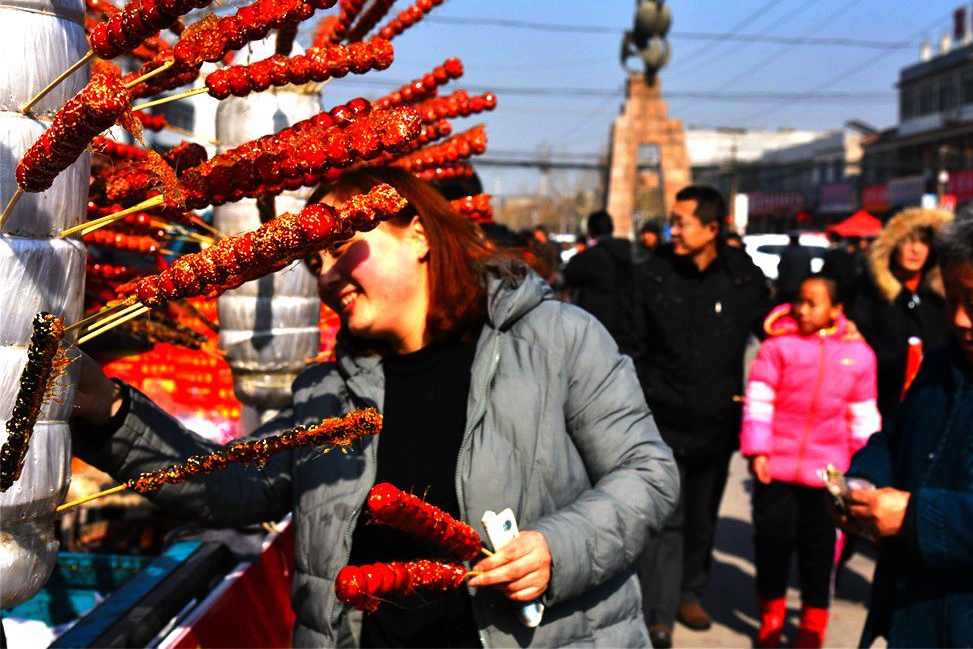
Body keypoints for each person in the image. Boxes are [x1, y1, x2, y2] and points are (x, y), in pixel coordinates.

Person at [70, 167, 680, 647]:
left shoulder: (555, 339)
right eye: (315, 263)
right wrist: (112, 411)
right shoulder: (327, 392)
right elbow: (232, 487)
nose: (327, 274)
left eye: (339, 248)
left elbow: (647, 473)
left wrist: (560, 547)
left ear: (416, 233)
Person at [837, 202, 973, 648]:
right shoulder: (941, 366)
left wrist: (916, 517)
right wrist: (864, 483)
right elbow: (896, 436)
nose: (958, 319)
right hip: (914, 617)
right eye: (952, 300)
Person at [633, 185, 771, 643]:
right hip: (662, 419)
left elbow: (774, 332)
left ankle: (690, 594)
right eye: (672, 220)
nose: (673, 230)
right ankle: (659, 612)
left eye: (682, 222)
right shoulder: (653, 275)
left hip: (716, 420)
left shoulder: (741, 281)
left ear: (712, 229)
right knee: (666, 515)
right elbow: (631, 346)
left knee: (702, 517)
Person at [741, 276, 881, 648]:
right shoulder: (777, 347)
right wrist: (759, 451)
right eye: (799, 301)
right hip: (777, 469)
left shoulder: (859, 355)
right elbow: (759, 400)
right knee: (772, 543)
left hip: (828, 475)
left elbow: (862, 417)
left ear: (836, 310)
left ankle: (812, 625)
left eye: (813, 303)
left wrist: (861, 471)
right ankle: (770, 619)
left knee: (819, 555)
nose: (802, 310)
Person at [847, 208, 952, 422]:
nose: (915, 250)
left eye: (923, 242)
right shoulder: (871, 291)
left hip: (936, 400)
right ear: (893, 246)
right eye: (907, 241)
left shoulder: (943, 294)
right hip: (882, 400)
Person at [562, 210, 638, 352]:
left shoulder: (590, 256)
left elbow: (568, 274)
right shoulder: (632, 252)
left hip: (597, 324)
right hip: (628, 322)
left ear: (590, 230)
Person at [775, 233, 812, 304]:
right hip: (800, 287)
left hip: (787, 287)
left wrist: (778, 284)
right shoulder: (805, 253)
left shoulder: (787, 252)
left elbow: (782, 270)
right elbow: (808, 270)